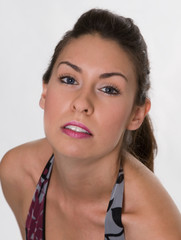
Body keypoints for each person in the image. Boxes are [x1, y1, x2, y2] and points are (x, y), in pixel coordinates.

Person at [0, 8, 181, 240]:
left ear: (136, 114)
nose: (82, 103)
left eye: (108, 89)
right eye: (69, 79)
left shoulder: (155, 229)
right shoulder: (18, 174)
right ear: (45, 92)